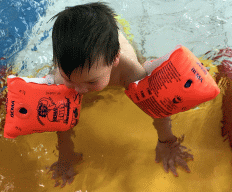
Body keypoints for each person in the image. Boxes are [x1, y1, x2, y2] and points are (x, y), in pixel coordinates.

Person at [46, 2, 194, 188]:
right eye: (71, 80)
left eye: (91, 82)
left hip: (118, 52)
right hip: (87, 54)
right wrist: (66, 154)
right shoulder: (62, 75)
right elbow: (62, 120)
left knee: (144, 71)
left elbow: (157, 108)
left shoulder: (129, 70)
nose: (80, 90)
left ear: (114, 60)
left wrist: (167, 141)